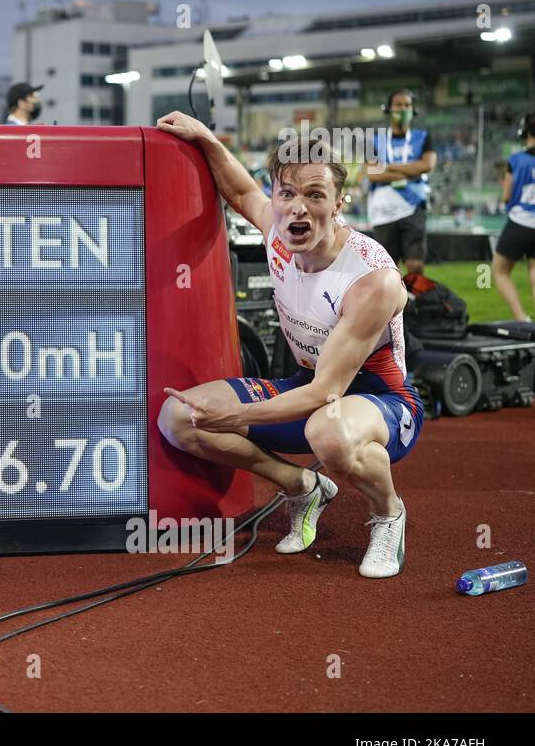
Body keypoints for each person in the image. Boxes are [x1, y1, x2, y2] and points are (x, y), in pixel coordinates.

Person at [155, 110, 421, 579]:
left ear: (340, 203)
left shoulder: (371, 279)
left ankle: (389, 513)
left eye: (315, 195)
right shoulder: (279, 236)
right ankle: (302, 485)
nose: (298, 208)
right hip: (308, 387)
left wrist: (236, 417)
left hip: (379, 401)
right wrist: (204, 137)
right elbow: (240, 192)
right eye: (288, 194)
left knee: (328, 430)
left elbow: (325, 395)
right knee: (179, 418)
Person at [365, 89, 436, 276]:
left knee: (415, 266)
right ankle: (394, 305)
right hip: (383, 211)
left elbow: (427, 165)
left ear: (413, 110)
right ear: (389, 109)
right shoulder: (375, 140)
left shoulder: (423, 137)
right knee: (387, 267)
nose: (403, 109)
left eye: (407, 105)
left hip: (413, 206)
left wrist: (387, 168)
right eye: (398, 104)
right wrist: (410, 170)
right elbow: (372, 173)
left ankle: (415, 303)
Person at [492, 111, 535, 322]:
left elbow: (507, 196)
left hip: (520, 222)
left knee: (500, 271)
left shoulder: (516, 160)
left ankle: (521, 318)